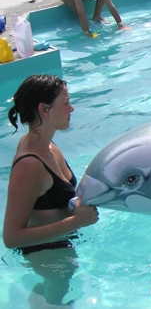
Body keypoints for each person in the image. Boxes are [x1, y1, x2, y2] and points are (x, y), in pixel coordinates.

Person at [3, 75, 99, 306]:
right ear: (44, 110)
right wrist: (75, 223)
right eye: (65, 102)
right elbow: (11, 237)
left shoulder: (47, 144)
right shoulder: (29, 164)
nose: (72, 108)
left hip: (59, 243)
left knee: (57, 293)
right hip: (45, 254)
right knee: (57, 293)